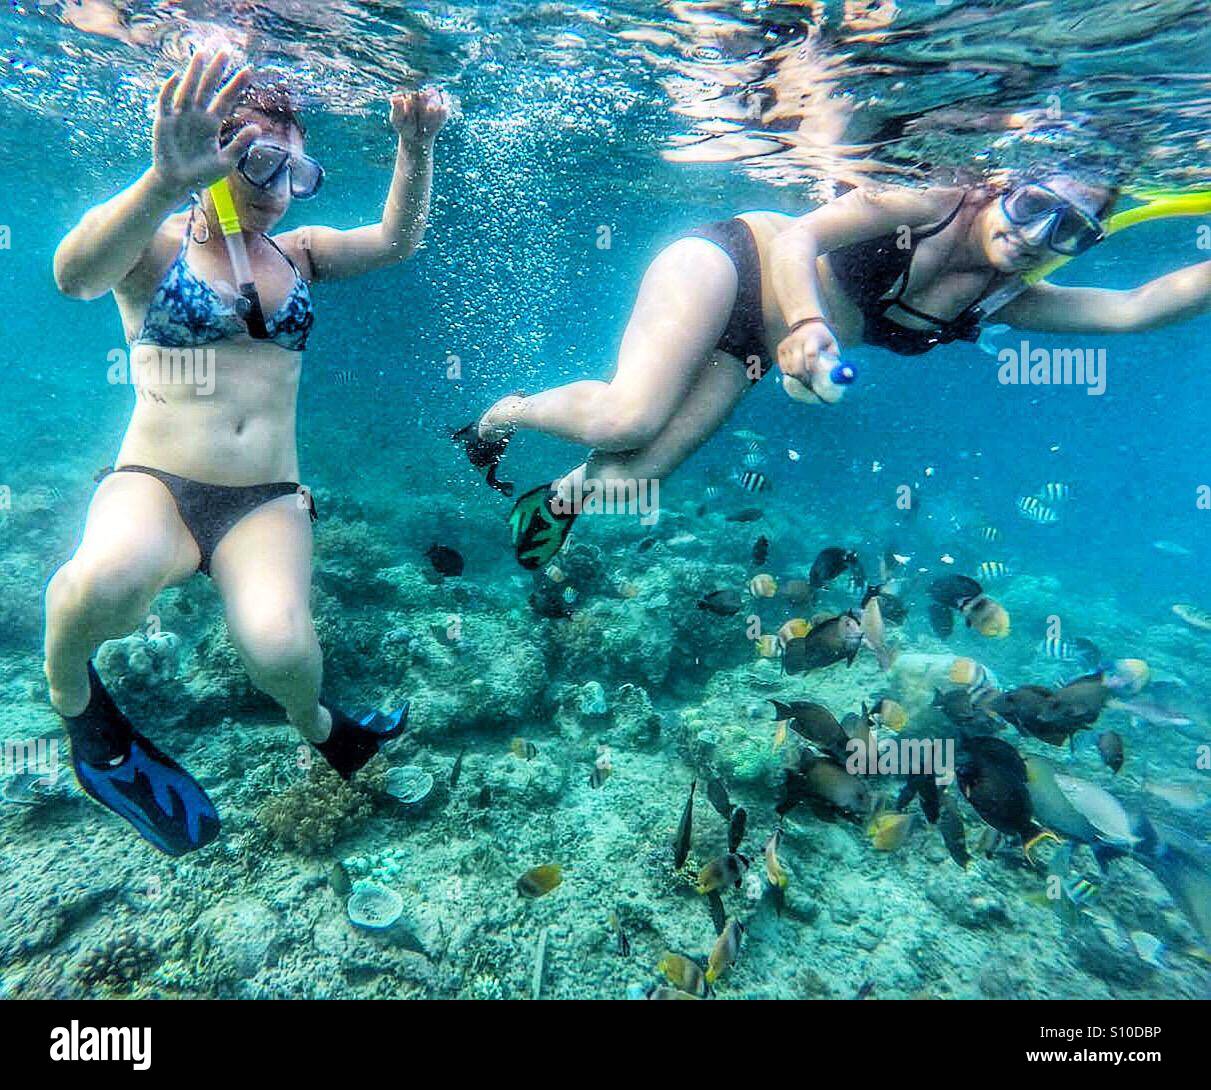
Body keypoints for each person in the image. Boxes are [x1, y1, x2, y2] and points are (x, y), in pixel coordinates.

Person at [48, 50, 450, 855]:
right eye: (260, 162)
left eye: (296, 171)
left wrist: (414, 147)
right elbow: (72, 276)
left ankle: (323, 728)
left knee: (282, 648)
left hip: (264, 497)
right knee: (103, 585)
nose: (277, 188)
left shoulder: (296, 255)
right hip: (153, 482)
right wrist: (163, 182)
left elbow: (394, 240)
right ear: (211, 155)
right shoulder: (153, 245)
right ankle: (81, 714)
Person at [454, 173, 1211, 569]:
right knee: (627, 420)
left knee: (625, 482)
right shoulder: (932, 199)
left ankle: (549, 498)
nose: (1034, 235)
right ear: (1000, 187)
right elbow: (800, 239)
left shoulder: (1009, 298)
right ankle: (502, 415)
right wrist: (812, 322)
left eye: (1069, 230)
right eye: (1032, 204)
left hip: (755, 345)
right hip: (732, 262)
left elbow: (1136, 309)